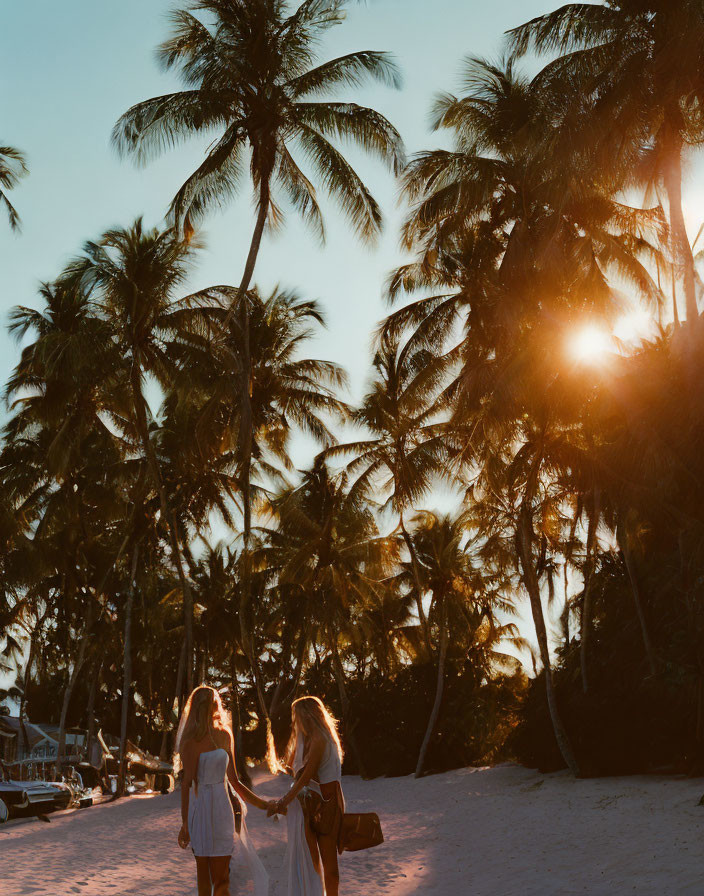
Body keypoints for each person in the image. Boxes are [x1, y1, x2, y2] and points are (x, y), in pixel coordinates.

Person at [175, 685, 269, 896]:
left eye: (215, 699)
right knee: (204, 878)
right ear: (203, 706)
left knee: (223, 876)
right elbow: (187, 785)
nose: (216, 702)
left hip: (222, 808)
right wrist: (184, 824)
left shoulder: (225, 735)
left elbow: (235, 781)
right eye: (212, 699)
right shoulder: (190, 743)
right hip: (201, 810)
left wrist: (263, 804)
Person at [267, 696, 345, 896]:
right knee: (313, 865)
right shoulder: (311, 739)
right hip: (312, 804)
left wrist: (284, 801)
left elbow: (305, 777)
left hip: (328, 804)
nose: (295, 722)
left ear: (307, 716)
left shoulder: (320, 738)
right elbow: (294, 769)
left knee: (329, 866)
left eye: (297, 717)